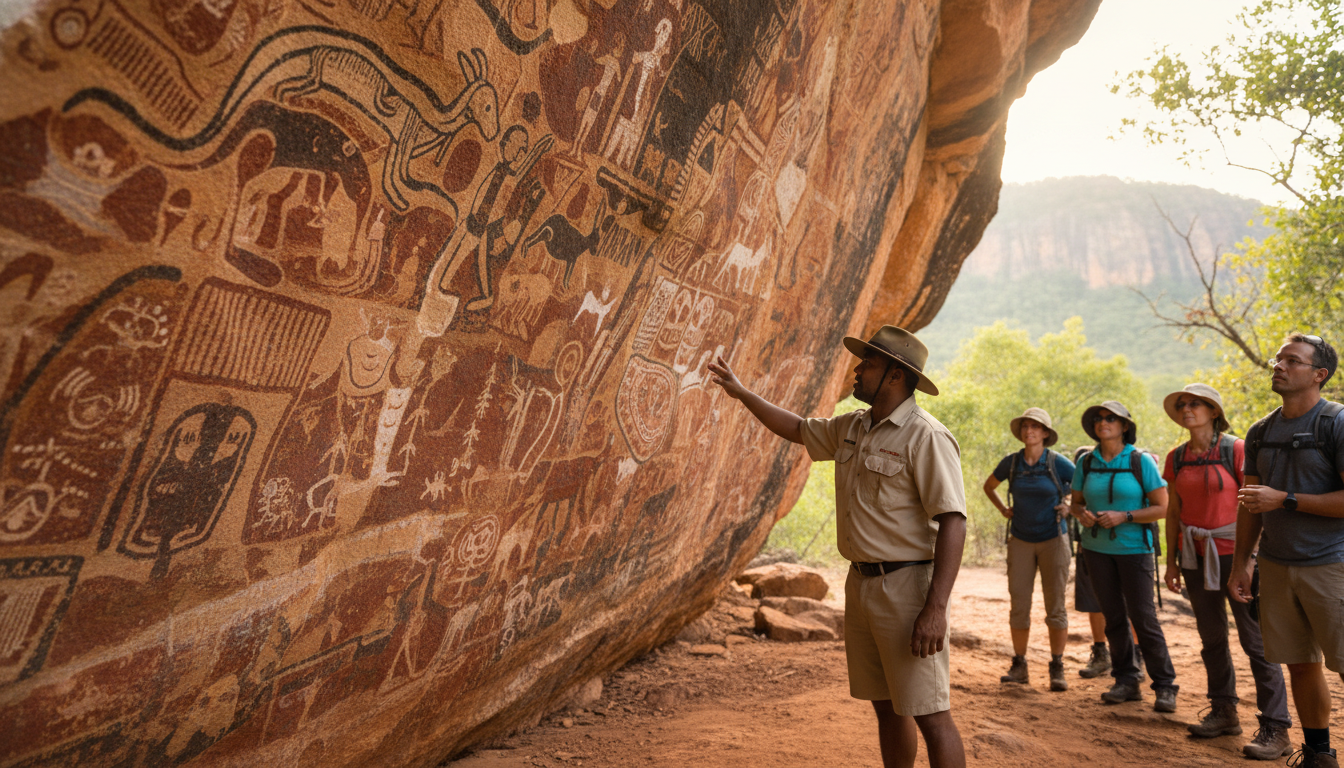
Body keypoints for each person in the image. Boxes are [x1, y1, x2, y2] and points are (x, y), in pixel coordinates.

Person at [707, 325, 967, 768]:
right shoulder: (854, 426)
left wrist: (935, 608)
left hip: (906, 590)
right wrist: (742, 393)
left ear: (895, 376)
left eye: (868, 363)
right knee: (886, 705)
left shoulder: (926, 436)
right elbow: (796, 428)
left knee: (930, 714)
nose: (858, 369)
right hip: (862, 585)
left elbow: (953, 521)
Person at [1230, 333, 1344, 768]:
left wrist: (1287, 499)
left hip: (1332, 564)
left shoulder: (1336, 423)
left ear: (1319, 375)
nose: (1279, 366)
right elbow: (1251, 502)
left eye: (1292, 361)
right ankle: (1319, 753)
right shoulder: (1260, 431)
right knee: (1300, 663)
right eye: (1278, 359)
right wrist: (1243, 562)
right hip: (1276, 567)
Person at [1161, 383, 1291, 759]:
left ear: (1213, 411)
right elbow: (1173, 511)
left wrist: (1249, 561)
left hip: (1238, 555)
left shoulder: (1235, 448)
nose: (1187, 409)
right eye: (1182, 404)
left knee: (1257, 641)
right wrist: (1170, 561)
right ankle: (1224, 711)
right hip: (1195, 556)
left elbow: (1255, 502)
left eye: (1196, 404)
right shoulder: (1177, 457)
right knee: (1211, 637)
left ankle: (1276, 727)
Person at [1070, 401, 1178, 711]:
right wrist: (1083, 515)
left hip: (1134, 550)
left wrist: (1124, 516)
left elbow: (1163, 507)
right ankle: (1126, 680)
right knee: (1114, 617)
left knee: (1143, 618)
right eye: (1099, 419)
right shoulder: (1086, 462)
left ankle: (1165, 685)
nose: (1103, 423)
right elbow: (1076, 503)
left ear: (1124, 426)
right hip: (1096, 550)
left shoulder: (1140, 461)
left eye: (1110, 419)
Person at [983, 407, 1074, 691]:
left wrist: (1070, 505)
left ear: (1045, 433)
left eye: (1035, 427)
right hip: (1020, 540)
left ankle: (1057, 666)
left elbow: (1083, 488)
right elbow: (989, 486)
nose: (1029, 431)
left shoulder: (1059, 463)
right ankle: (1019, 664)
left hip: (1054, 540)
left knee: (1055, 607)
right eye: (1025, 426)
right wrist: (1003, 510)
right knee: (1018, 605)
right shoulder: (1012, 463)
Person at [1070, 444, 1114, 679]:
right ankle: (1101, 652)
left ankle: (1134, 654)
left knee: (1126, 603)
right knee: (1093, 601)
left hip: (1121, 546)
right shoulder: (1082, 466)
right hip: (1088, 546)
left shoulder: (1124, 469)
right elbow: (1075, 503)